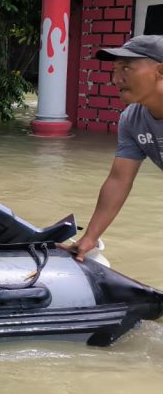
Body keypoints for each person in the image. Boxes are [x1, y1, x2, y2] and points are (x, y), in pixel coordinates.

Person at [70, 35, 163, 261]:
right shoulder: (132, 120)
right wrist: (90, 237)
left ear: (160, 71)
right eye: (115, 69)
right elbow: (119, 180)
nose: (115, 79)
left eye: (126, 68)